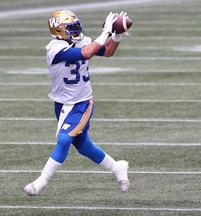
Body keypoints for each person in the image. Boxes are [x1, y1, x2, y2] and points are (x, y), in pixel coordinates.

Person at [24, 10, 130, 196]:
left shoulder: (83, 40)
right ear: (58, 31)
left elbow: (108, 52)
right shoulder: (54, 48)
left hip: (82, 103)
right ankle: (117, 167)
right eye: (70, 28)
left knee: (64, 139)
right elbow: (86, 53)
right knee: (84, 147)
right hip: (62, 105)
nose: (75, 31)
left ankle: (41, 182)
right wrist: (105, 32)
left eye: (76, 27)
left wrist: (117, 34)